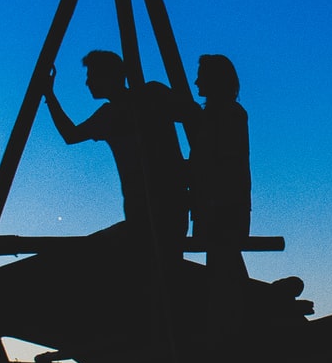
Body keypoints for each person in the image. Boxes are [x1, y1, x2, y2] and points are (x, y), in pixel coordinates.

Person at [43, 50, 187, 246]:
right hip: (144, 207)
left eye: (91, 76)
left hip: (165, 204)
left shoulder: (150, 96)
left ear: (109, 76)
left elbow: (191, 114)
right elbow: (71, 135)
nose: (87, 83)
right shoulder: (110, 114)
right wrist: (49, 95)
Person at [183, 54, 250, 248]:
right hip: (217, 206)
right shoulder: (218, 115)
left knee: (223, 265)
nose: (196, 82)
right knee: (222, 265)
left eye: (201, 76)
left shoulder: (230, 115)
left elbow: (220, 162)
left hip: (222, 208)